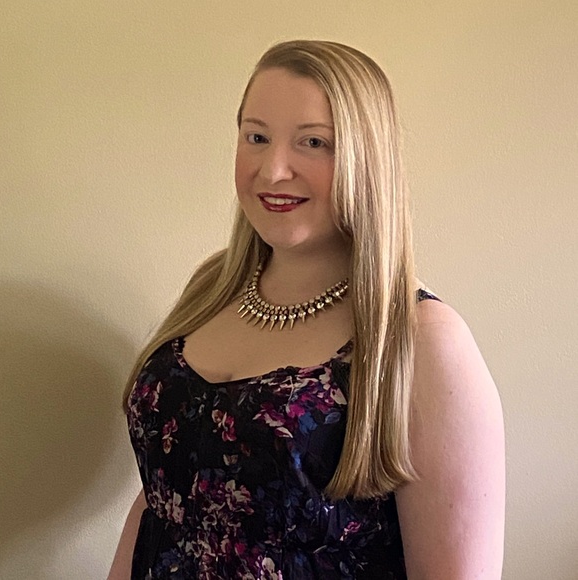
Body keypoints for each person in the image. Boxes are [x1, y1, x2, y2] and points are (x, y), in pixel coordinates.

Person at [108, 40, 505, 579]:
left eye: (313, 143)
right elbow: (160, 498)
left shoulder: (419, 339)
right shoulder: (213, 286)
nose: (273, 171)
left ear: (367, 160)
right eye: (256, 137)